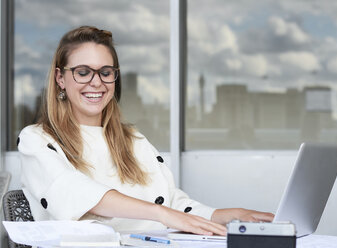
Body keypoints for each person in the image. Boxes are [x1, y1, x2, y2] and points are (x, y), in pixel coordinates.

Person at [18, 26, 273, 235]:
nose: (96, 82)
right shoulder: (37, 140)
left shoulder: (133, 141)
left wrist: (225, 216)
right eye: (83, 72)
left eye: (106, 72)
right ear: (60, 78)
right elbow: (73, 193)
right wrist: (161, 214)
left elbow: (172, 203)